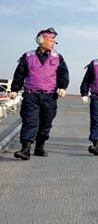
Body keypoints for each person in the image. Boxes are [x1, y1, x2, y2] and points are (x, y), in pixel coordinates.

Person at [10, 28, 69, 160]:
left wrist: (63, 87)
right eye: (51, 40)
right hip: (31, 95)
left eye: (54, 41)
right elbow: (20, 74)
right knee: (30, 121)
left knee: (46, 123)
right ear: (41, 40)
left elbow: (63, 74)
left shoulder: (58, 57)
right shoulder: (28, 56)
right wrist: (15, 89)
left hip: (49, 96)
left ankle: (39, 146)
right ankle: (25, 149)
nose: (53, 43)